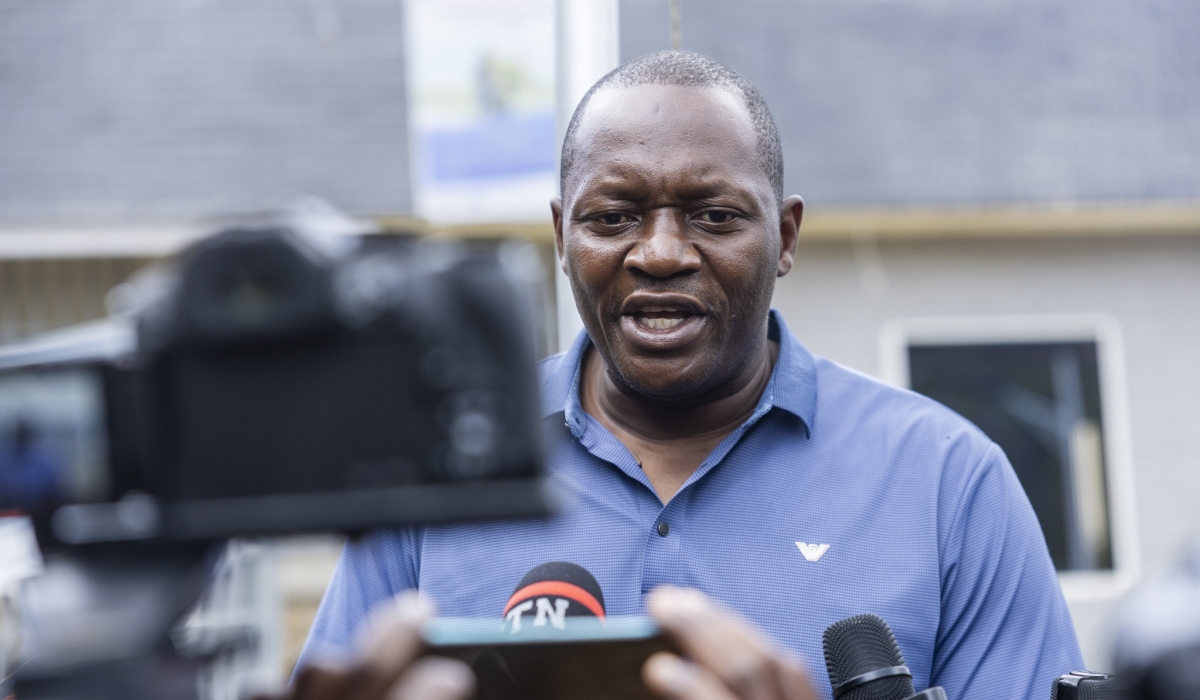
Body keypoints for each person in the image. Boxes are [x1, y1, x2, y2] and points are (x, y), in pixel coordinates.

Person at [292, 51, 1083, 700]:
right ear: (562, 237)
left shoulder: (947, 482)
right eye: (613, 217)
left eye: (715, 216)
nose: (661, 253)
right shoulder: (430, 470)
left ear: (785, 235)